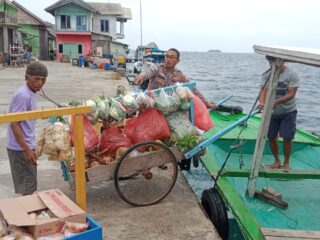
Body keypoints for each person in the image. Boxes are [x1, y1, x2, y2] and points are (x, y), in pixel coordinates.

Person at [6, 62, 48, 195]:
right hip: (20, 148)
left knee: (29, 184)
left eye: (43, 80)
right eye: (36, 79)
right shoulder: (23, 95)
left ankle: (28, 210)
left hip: (26, 145)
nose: (40, 83)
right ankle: (27, 213)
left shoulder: (30, 92)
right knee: (27, 186)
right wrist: (27, 149)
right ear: (27, 77)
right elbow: (14, 123)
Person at [135, 48, 217, 110]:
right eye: (167, 57)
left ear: (178, 60)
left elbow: (193, 88)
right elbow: (147, 72)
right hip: (151, 103)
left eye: (172, 57)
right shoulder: (156, 68)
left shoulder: (179, 74)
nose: (168, 59)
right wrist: (141, 76)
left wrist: (207, 103)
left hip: (167, 105)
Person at [257, 56, 300, 171]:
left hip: (288, 111)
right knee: (271, 136)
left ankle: (286, 162)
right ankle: (277, 160)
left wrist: (275, 102)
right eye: (270, 62)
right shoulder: (266, 75)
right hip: (272, 113)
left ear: (281, 61)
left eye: (274, 61)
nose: (272, 64)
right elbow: (263, 91)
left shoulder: (292, 74)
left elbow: (291, 94)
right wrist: (262, 103)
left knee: (287, 137)